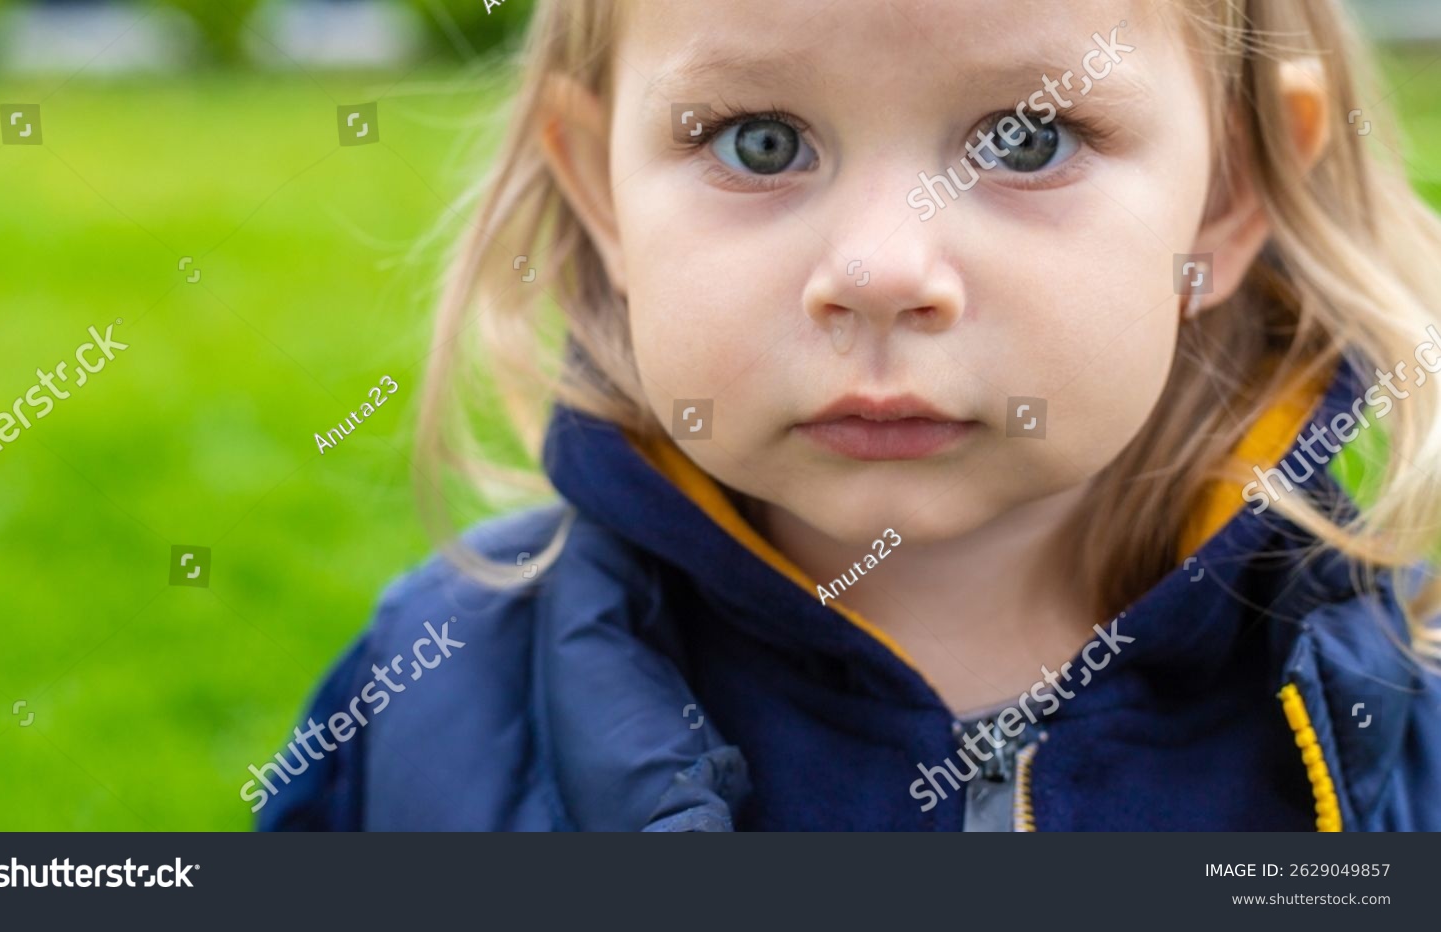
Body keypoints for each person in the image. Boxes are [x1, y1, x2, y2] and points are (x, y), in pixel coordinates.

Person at [258, 0, 1441, 831]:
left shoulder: (1397, 723)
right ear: (601, 190)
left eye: (1025, 139)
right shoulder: (433, 703)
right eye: (757, 141)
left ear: (1230, 192)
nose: (880, 270)